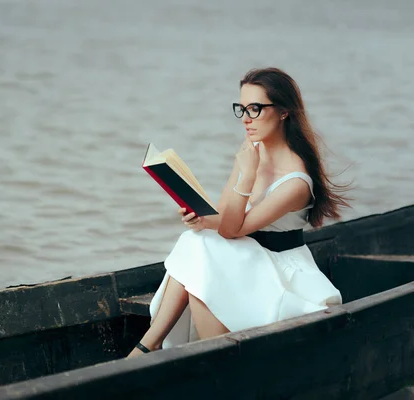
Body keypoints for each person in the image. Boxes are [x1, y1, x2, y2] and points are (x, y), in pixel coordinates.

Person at [127, 67, 351, 358]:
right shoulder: (251, 150)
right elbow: (226, 217)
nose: (246, 118)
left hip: (279, 269)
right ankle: (158, 345)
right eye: (242, 108)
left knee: (201, 247)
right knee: (197, 240)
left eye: (255, 109)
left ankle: (160, 348)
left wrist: (246, 177)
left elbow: (232, 229)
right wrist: (203, 218)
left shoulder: (296, 181)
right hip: (246, 254)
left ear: (284, 111)